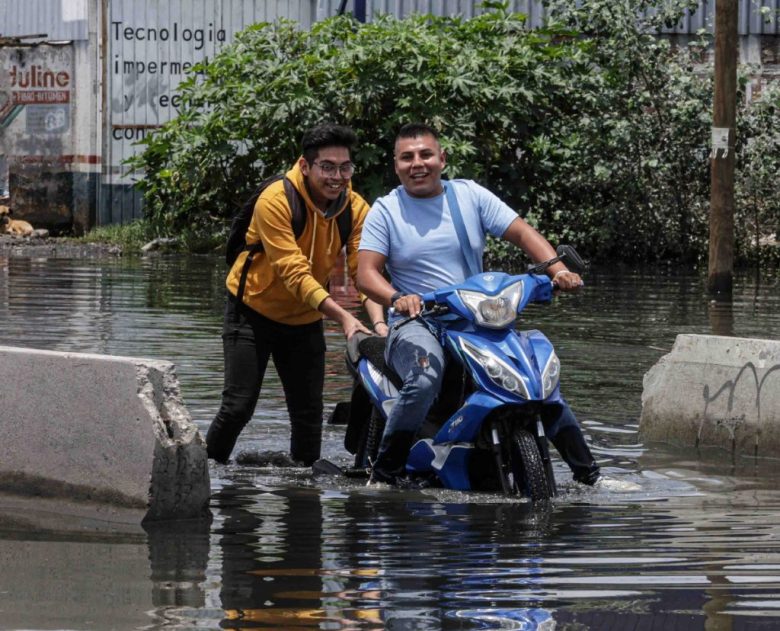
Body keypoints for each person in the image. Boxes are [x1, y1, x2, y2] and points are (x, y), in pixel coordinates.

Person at [356, 122, 600, 487]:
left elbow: (521, 232)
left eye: (425, 154)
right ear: (396, 165)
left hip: (475, 316)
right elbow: (366, 274)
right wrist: (397, 298)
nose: (417, 163)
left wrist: (558, 270)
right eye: (407, 157)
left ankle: (589, 476)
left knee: (537, 377)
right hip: (417, 320)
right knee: (425, 378)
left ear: (443, 158)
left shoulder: (469, 194)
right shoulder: (386, 210)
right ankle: (386, 473)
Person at [207, 123, 387, 466]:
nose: (337, 177)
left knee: (308, 415)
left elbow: (363, 273)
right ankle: (203, 471)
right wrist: (346, 317)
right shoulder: (276, 199)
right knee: (237, 407)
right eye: (327, 167)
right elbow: (294, 273)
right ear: (305, 166)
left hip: (304, 319)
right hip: (251, 310)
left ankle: (305, 491)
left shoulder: (355, 208)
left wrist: (378, 324)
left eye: (345, 167)